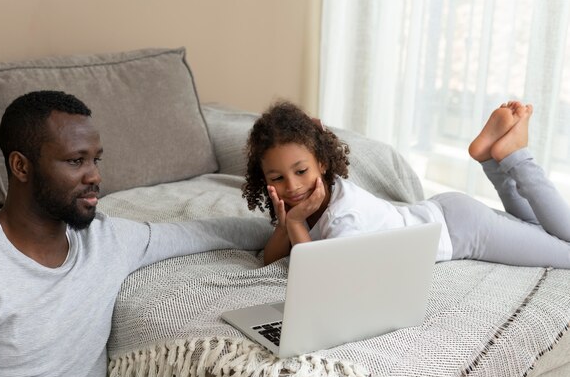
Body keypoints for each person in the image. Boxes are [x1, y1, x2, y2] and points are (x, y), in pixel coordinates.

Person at [0, 91, 272, 377]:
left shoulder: (105, 241)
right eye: (76, 161)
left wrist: (288, 228)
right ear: (21, 166)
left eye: (95, 159)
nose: (95, 176)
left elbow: (203, 233)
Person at [242, 100, 570, 268]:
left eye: (301, 171)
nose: (292, 186)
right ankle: (493, 159)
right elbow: (271, 260)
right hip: (447, 214)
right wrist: (287, 226)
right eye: (277, 178)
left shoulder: (345, 217)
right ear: (264, 180)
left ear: (322, 163)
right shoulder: (306, 203)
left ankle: (515, 156)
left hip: (464, 232)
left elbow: (314, 274)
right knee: (534, 228)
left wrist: (296, 223)